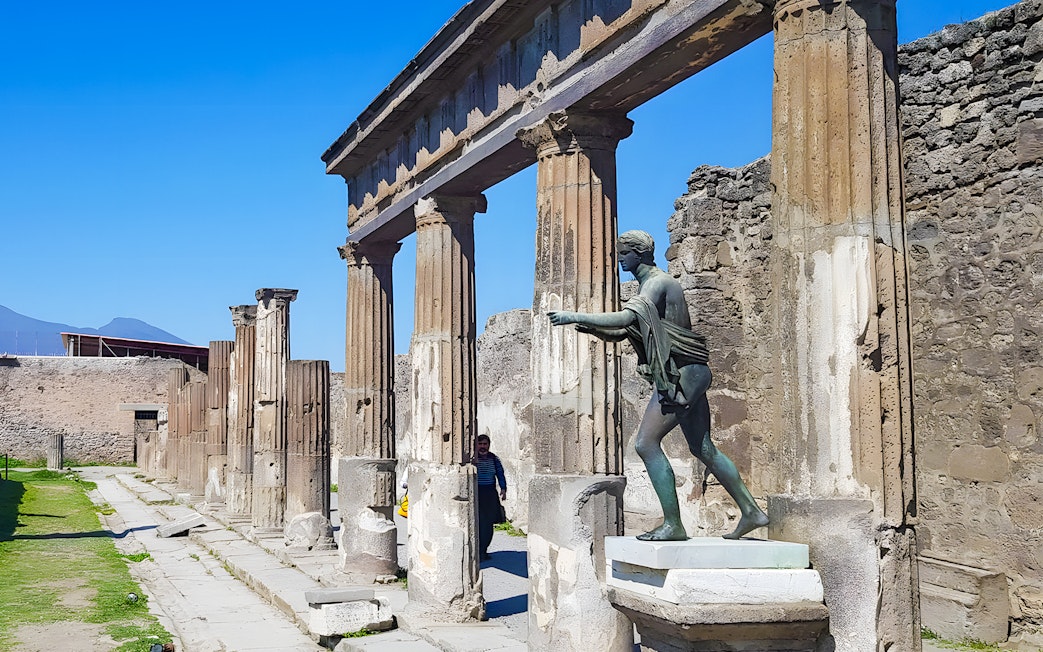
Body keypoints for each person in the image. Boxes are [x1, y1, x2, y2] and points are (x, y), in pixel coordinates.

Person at [548, 230, 769, 541]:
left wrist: (574, 315)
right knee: (702, 447)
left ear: (640, 253)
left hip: (682, 375)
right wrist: (591, 328)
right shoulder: (648, 286)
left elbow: (625, 319)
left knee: (645, 444)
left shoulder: (656, 283)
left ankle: (673, 525)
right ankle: (751, 512)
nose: (620, 258)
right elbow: (626, 331)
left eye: (624, 253)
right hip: (690, 373)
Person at [471, 434, 507, 560]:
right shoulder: (473, 459)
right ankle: (476, 550)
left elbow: (500, 474)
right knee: (478, 522)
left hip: (490, 494)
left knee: (488, 524)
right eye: (480, 444)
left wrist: (503, 489)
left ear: (489, 445)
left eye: (485, 444)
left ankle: (483, 550)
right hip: (476, 492)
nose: (482, 447)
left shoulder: (494, 459)